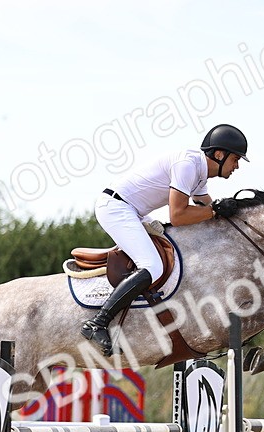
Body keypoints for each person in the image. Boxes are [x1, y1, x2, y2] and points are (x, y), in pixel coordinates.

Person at [79, 123, 249, 356]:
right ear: (219, 154)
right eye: (236, 159)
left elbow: (206, 206)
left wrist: (230, 212)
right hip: (116, 208)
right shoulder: (188, 165)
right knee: (153, 266)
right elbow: (178, 215)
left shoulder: (200, 173)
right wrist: (215, 211)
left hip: (134, 211)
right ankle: (98, 322)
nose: (237, 166)